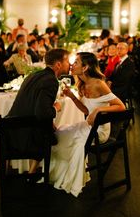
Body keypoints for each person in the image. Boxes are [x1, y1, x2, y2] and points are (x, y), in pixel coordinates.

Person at [48, 52, 125, 197]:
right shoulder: (82, 85)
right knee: (59, 135)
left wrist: (99, 110)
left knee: (75, 142)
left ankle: (71, 179)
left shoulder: (98, 84)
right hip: (88, 126)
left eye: (76, 62)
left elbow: (121, 106)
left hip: (100, 131)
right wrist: (72, 96)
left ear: (85, 67)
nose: (72, 64)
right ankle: (58, 174)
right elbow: (85, 109)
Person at [7, 48, 70, 175]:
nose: (69, 64)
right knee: (55, 134)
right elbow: (42, 114)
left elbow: (30, 104)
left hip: (10, 130)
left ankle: (30, 171)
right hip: (27, 134)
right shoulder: (51, 80)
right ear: (58, 65)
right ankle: (33, 173)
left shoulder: (33, 75)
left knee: (49, 128)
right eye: (67, 61)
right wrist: (56, 108)